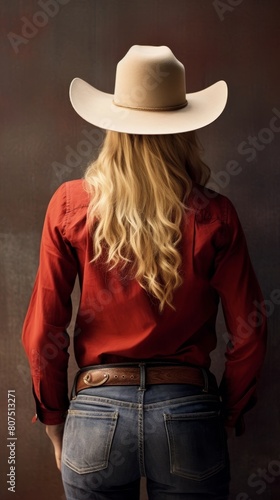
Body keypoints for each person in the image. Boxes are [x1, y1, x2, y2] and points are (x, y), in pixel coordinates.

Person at [22, 45, 267, 500]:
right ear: (184, 131)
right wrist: (229, 413)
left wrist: (55, 422)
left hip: (95, 416)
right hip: (189, 413)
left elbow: (43, 332)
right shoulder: (215, 214)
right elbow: (250, 332)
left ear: (113, 128)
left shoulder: (70, 205)